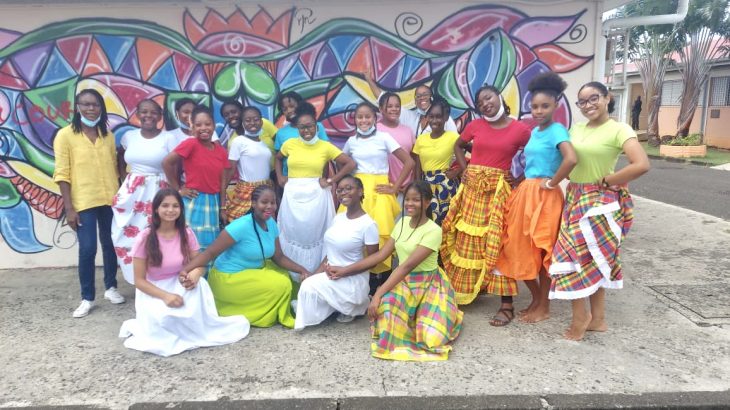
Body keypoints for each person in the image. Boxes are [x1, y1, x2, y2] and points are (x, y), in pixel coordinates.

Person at [550, 81, 649, 341]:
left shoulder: (619, 129)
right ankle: (598, 319)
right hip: (574, 196)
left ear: (607, 98)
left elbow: (641, 164)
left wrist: (610, 180)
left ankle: (580, 319)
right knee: (592, 258)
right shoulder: (577, 128)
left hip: (598, 201)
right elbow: (569, 159)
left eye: (593, 98)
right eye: (582, 101)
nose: (588, 105)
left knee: (571, 257)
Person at [327, 181, 463, 361]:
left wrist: (377, 294)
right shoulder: (402, 223)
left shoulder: (433, 230)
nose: (410, 204)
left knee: (431, 340)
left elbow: (406, 266)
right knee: (386, 310)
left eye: (416, 200)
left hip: (429, 284)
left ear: (427, 202)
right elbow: (380, 255)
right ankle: (412, 318)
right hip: (404, 281)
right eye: (407, 199)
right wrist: (345, 270)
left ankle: (433, 316)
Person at [118, 188, 250, 356]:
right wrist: (166, 296)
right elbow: (139, 281)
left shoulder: (186, 233)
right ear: (156, 209)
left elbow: (200, 263)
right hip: (155, 289)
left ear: (181, 209)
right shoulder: (145, 237)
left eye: (175, 206)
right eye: (165, 205)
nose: (170, 210)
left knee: (199, 287)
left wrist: (196, 273)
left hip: (180, 282)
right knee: (165, 320)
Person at [441, 85, 530, 327]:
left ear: (499, 96)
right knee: (468, 240)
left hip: (498, 192)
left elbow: (536, 154)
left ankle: (506, 304)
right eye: (480, 102)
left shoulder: (520, 129)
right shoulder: (475, 126)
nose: (485, 104)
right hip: (472, 191)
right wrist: (465, 169)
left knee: (498, 243)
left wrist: (519, 178)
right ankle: (470, 289)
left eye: (488, 97)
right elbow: (458, 146)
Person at [493, 73, 577, 324]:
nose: (539, 111)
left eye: (545, 106)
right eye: (535, 106)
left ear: (556, 105)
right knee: (517, 248)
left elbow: (571, 159)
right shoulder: (535, 131)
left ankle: (544, 306)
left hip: (545, 197)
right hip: (526, 193)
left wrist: (552, 182)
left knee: (541, 252)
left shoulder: (557, 130)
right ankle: (538, 299)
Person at [180, 185, 310, 328]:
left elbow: (278, 257)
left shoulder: (271, 223)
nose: (269, 206)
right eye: (264, 202)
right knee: (281, 283)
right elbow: (210, 253)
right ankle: (263, 314)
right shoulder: (240, 226)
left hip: (253, 271)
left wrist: (302, 270)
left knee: (290, 278)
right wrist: (186, 270)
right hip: (228, 278)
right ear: (253, 203)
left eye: (273, 202)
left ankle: (290, 309)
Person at [53, 88, 125, 318]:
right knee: (88, 248)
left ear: (101, 108)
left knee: (110, 244)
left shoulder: (107, 135)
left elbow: (115, 167)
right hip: (83, 201)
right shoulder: (65, 136)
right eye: (85, 104)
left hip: (109, 198)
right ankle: (87, 297)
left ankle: (111, 287)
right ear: (78, 107)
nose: (91, 108)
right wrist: (69, 208)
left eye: (95, 104)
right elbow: (62, 173)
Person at [275, 103, 356, 275]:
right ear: (297, 128)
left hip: (316, 196)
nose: (306, 130)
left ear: (316, 127)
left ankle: (314, 274)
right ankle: (295, 274)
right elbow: (278, 158)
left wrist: (332, 180)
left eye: (310, 126)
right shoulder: (289, 144)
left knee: (314, 235)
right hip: (292, 195)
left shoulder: (325, 146)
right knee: (293, 233)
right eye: (302, 127)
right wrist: (280, 177)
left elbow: (350, 163)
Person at [342, 102, 415, 289]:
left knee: (381, 234)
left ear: (375, 118)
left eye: (368, 116)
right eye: (360, 117)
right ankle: (361, 280)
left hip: (379, 191)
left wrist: (395, 187)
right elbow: (342, 163)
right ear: (355, 120)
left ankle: (381, 283)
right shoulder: (351, 141)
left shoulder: (384, 137)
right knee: (356, 235)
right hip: (358, 193)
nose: (364, 120)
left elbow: (409, 162)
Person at [295, 176, 380, 329]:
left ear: (360, 191)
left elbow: (374, 260)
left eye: (349, 188)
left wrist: (344, 271)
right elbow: (330, 254)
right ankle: (341, 306)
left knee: (308, 288)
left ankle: (354, 304)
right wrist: (314, 274)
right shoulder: (338, 218)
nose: (343, 193)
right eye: (339, 190)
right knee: (307, 286)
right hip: (332, 275)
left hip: (352, 278)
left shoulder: (368, 224)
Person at [112, 99, 174, 284]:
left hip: (158, 191)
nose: (148, 116)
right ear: (137, 114)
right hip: (132, 194)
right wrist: (125, 179)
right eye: (144, 112)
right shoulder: (129, 136)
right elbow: (121, 157)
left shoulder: (168, 138)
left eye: (153, 112)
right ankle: (138, 281)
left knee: (157, 236)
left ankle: (158, 280)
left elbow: (175, 166)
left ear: (160, 116)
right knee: (125, 236)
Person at [162, 106, 229, 258]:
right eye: (198, 125)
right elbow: (167, 163)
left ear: (214, 125)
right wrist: (178, 190)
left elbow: (222, 182)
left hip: (214, 202)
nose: (203, 128)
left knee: (210, 244)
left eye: (207, 124)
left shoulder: (220, 151)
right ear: (192, 127)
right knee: (191, 243)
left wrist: (223, 208)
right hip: (194, 200)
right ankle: (187, 272)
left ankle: (204, 273)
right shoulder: (191, 144)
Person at [365, 67, 457, 136]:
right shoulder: (411, 117)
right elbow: (383, 98)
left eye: (425, 94)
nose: (422, 98)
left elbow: (454, 140)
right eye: (418, 96)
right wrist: (368, 79)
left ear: (431, 97)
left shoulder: (443, 118)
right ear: (415, 101)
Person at [412, 99, 461, 225]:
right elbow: (417, 166)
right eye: (431, 116)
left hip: (446, 186)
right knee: (427, 222)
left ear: (445, 118)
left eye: (438, 116)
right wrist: (418, 185)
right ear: (427, 117)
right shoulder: (421, 139)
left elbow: (474, 152)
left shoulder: (453, 137)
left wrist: (457, 172)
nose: (434, 120)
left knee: (446, 223)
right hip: (426, 185)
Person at [225, 106, 274, 221]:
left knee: (265, 224)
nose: (252, 123)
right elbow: (230, 171)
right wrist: (221, 197)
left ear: (261, 122)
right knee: (245, 223)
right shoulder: (238, 141)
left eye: (256, 119)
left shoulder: (263, 144)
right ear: (243, 123)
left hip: (266, 188)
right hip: (247, 190)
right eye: (248, 120)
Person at [273, 92, 330, 178]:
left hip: (314, 178)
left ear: (300, 105)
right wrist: (280, 178)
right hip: (290, 180)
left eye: (292, 106)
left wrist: (323, 178)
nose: (289, 111)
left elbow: (325, 156)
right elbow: (278, 158)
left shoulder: (317, 127)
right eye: (285, 109)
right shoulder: (281, 133)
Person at [377, 92, 416, 200]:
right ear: (381, 109)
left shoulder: (408, 130)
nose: (394, 109)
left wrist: (412, 183)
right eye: (389, 106)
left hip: (406, 189)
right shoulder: (376, 130)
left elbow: (414, 159)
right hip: (384, 188)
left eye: (397, 106)